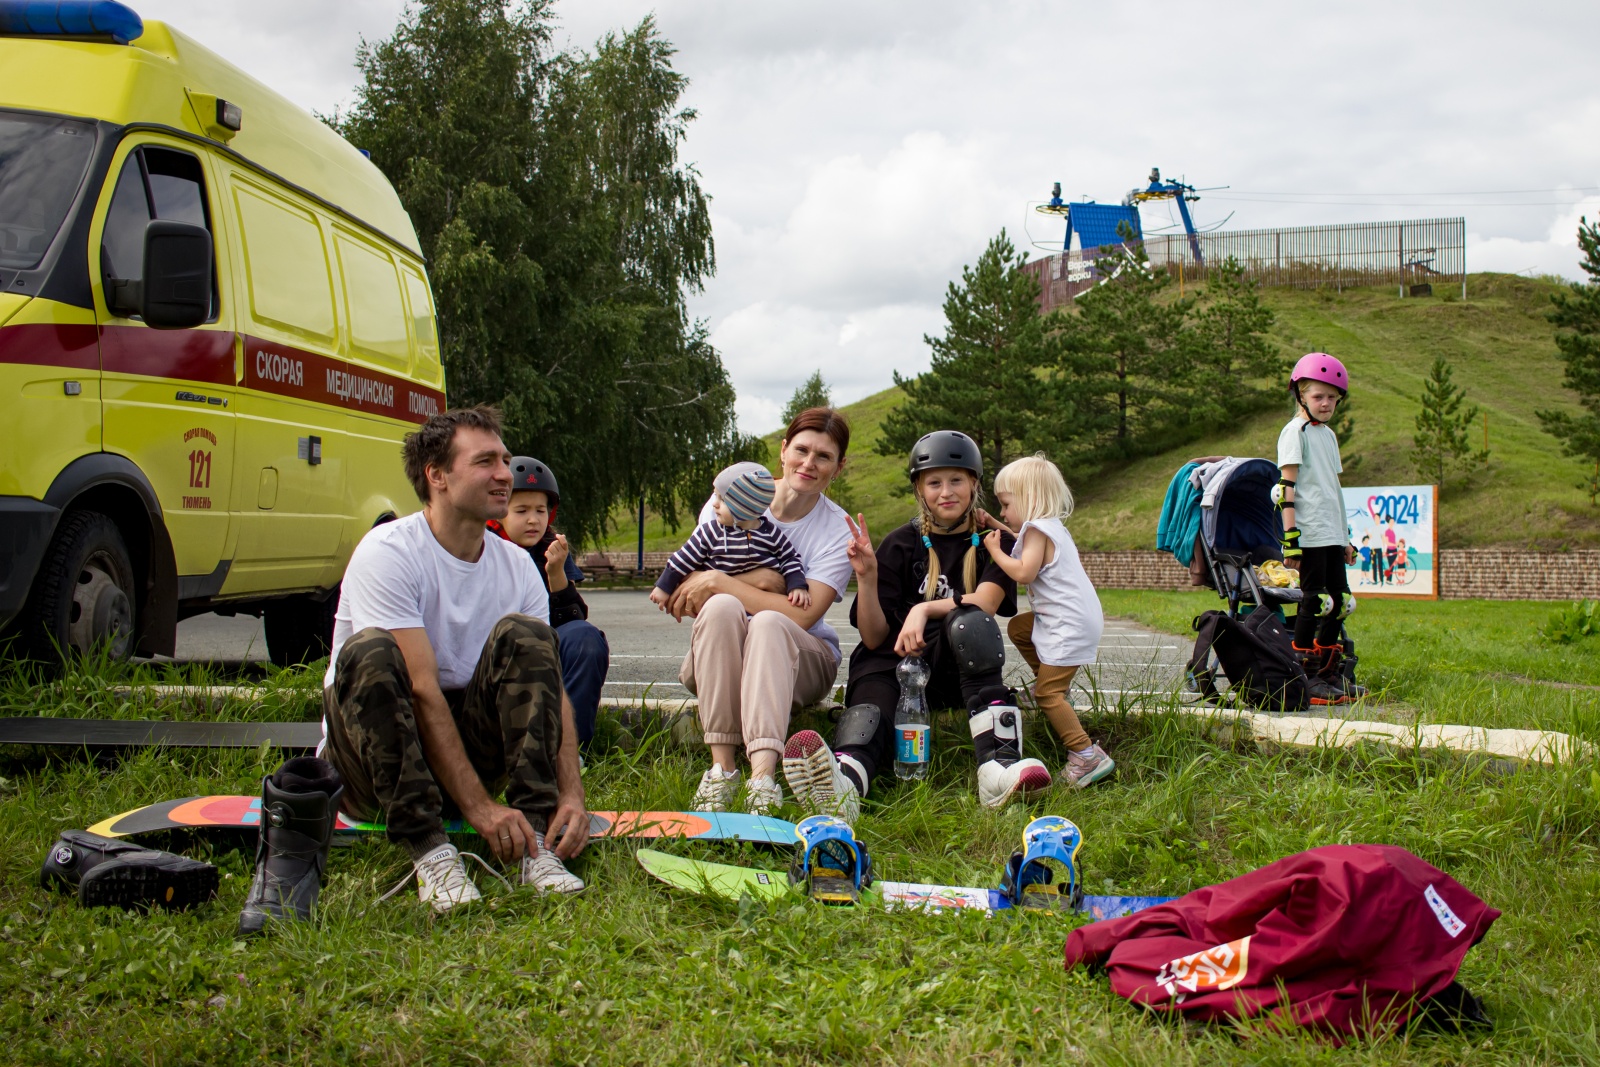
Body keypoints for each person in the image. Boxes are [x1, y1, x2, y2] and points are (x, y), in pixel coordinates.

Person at [314, 406, 589, 917]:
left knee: (531, 638)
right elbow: (420, 689)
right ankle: (431, 852)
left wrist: (570, 794)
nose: (505, 474)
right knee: (372, 650)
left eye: (504, 459)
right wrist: (479, 808)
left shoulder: (518, 566)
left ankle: (535, 841)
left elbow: (551, 690)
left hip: (465, 752)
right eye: (485, 462)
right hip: (373, 768)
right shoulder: (388, 552)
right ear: (437, 476)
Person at [782, 430, 1052, 816]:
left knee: (971, 622)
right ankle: (845, 786)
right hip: (890, 663)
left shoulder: (994, 542)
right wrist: (867, 578)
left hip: (953, 671)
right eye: (934, 483)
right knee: (871, 711)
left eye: (956, 480)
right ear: (919, 490)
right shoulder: (900, 543)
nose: (946, 492)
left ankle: (999, 767)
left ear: (974, 484)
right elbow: (873, 637)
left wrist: (922, 609)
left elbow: (987, 603)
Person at [660, 409, 855, 816]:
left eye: (823, 456)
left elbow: (801, 616)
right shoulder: (731, 498)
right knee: (723, 606)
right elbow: (689, 591)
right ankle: (722, 772)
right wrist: (763, 581)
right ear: (783, 451)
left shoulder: (837, 529)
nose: (808, 463)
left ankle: (763, 779)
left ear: (838, 468)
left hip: (800, 657)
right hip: (722, 654)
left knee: (768, 622)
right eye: (801, 450)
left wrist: (721, 579)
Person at [982, 453, 1115, 789]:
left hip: (1067, 625)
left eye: (1006, 504)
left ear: (1029, 499)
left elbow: (1023, 571)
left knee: (1048, 696)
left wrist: (995, 551)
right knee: (1019, 628)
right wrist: (995, 524)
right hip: (1069, 618)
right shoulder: (1048, 527)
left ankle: (1085, 754)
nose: (1003, 512)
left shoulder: (1038, 530)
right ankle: (1052, 684)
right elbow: (1020, 542)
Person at [492, 456, 611, 749]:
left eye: (540, 510)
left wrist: (555, 572)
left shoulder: (552, 546)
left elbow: (573, 618)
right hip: (497, 649)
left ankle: (572, 747)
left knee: (584, 638)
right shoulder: (483, 544)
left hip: (546, 637)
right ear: (499, 512)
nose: (533, 519)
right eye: (521, 510)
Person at [1277, 355, 1359, 705]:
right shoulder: (1294, 433)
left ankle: (1329, 675)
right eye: (1318, 396)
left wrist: (1345, 537)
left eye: (1332, 398)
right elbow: (1285, 489)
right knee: (1316, 601)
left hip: (1331, 533)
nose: (1326, 403)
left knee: (1342, 603)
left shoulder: (1328, 435)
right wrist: (1291, 539)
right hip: (1308, 533)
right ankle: (1305, 676)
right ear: (1301, 396)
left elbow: (1332, 490)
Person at [650, 461, 811, 612]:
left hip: (757, 605)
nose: (714, 504)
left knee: (766, 619)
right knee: (720, 611)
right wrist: (664, 587)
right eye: (716, 496)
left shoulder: (771, 534)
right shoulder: (710, 532)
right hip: (718, 604)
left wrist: (797, 586)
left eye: (722, 499)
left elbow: (790, 559)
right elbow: (682, 559)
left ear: (745, 506)